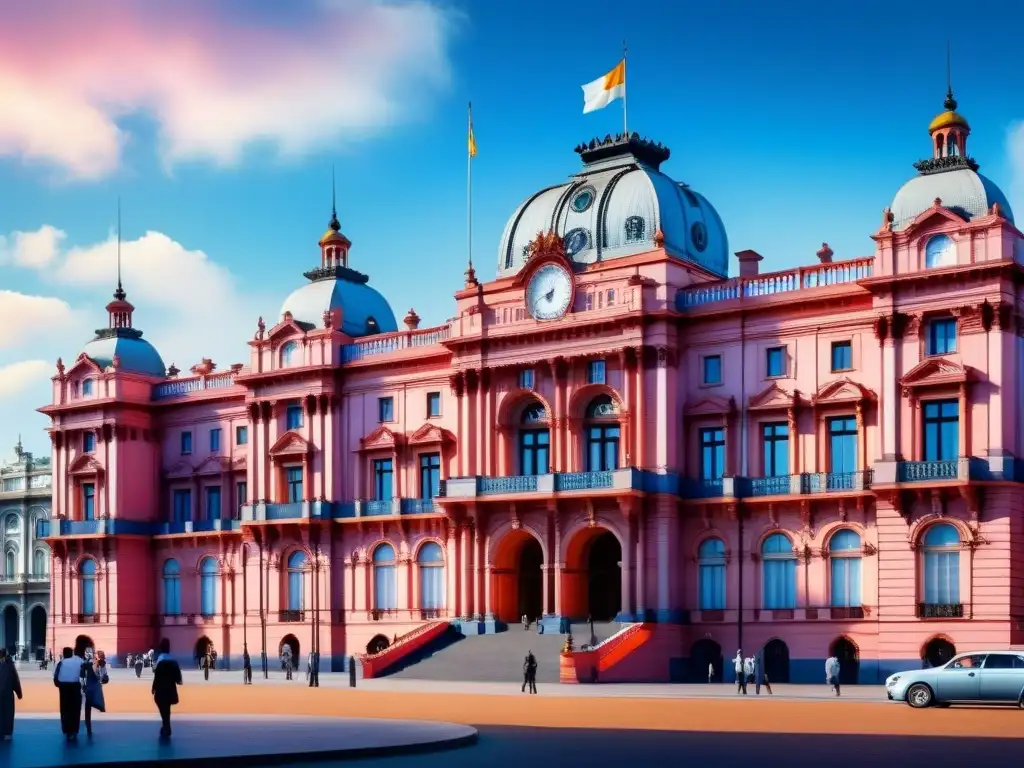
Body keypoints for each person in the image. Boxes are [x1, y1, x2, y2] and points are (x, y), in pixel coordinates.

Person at [53, 645, 86, 741]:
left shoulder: (60, 663)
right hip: (75, 687)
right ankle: (74, 730)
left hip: (64, 688)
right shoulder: (79, 661)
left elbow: (55, 677)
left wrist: (60, 685)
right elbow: (83, 673)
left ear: (63, 654)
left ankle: (67, 730)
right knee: (75, 709)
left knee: (65, 710)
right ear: (71, 653)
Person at [152, 639, 182, 739]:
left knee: (163, 708)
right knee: (167, 709)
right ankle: (166, 726)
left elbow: (156, 676)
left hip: (160, 690)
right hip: (170, 689)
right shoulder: (173, 661)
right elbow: (178, 679)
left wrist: (153, 687)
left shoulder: (160, 660)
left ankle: (166, 726)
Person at [81, 650, 109, 737]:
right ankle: (88, 727)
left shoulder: (100, 665)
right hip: (93, 688)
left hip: (92, 688)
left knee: (89, 707)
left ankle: (88, 727)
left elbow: (104, 678)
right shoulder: (92, 664)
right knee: (88, 707)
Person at [0, 648, 23, 740]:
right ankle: (7, 732)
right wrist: (19, 693)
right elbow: (15, 680)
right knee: (8, 713)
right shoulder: (10, 665)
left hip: (5, 693)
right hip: (7, 693)